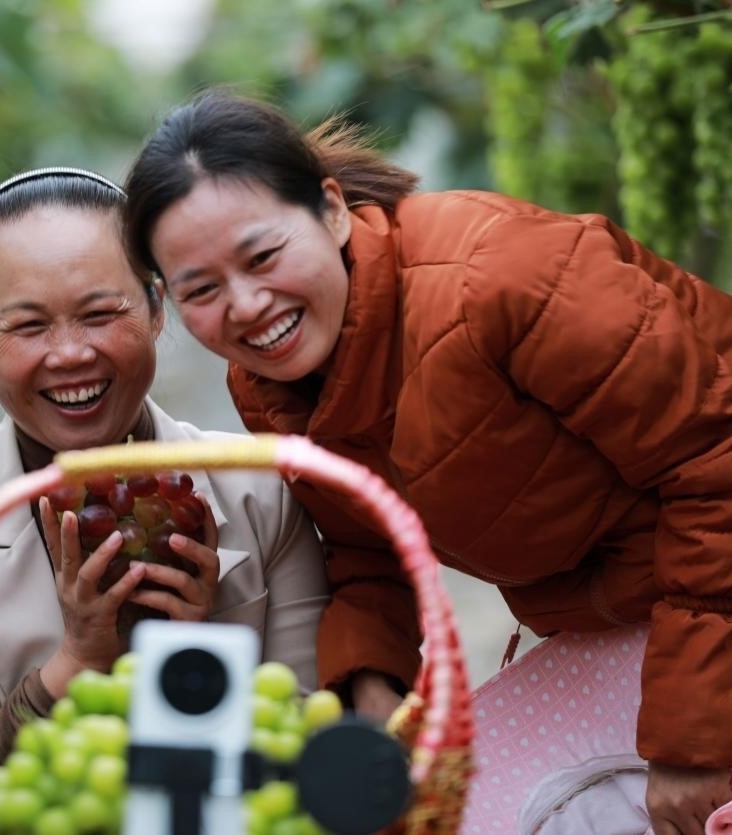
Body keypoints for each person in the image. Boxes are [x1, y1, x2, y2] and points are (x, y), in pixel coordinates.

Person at [120, 89, 732, 835]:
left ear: (333, 209)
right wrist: (372, 692)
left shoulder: (503, 280)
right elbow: (365, 539)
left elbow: (716, 463)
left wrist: (694, 742)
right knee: (447, 813)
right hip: (641, 614)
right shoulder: (270, 380)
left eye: (263, 256)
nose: (245, 305)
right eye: (202, 290)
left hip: (705, 585)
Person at [0, 167, 330, 833]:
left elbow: (314, 772)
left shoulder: (262, 492)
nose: (70, 354)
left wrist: (188, 661)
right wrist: (74, 665)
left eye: (100, 313)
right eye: (28, 325)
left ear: (155, 306)